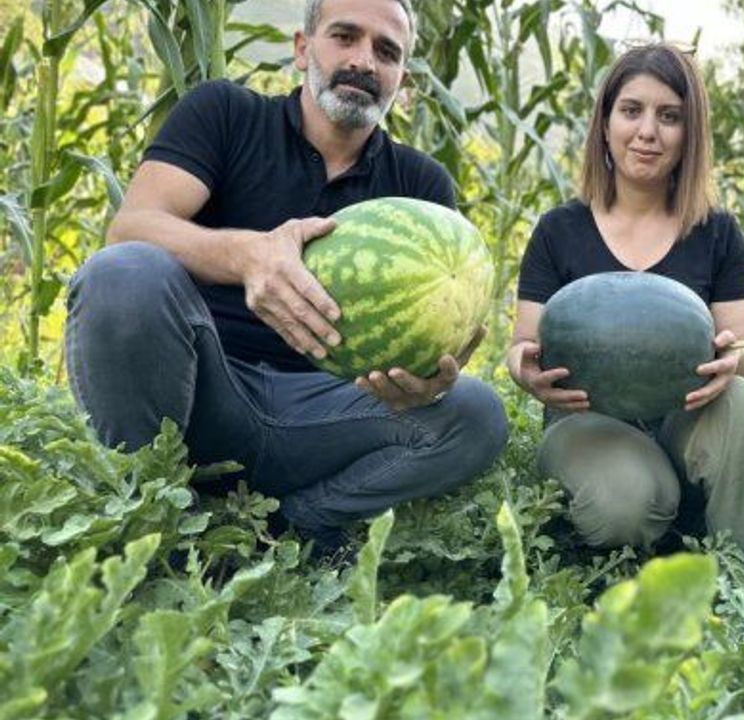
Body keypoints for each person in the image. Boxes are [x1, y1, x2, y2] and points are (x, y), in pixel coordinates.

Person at [65, 0, 508, 556]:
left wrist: (425, 380)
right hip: (201, 389)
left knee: (476, 414)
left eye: (386, 51)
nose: (364, 61)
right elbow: (132, 227)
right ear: (302, 49)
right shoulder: (225, 113)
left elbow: (431, 334)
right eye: (344, 36)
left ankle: (291, 530)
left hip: (327, 412)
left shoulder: (422, 184)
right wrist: (248, 255)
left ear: (402, 76)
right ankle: (150, 513)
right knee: (124, 273)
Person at [508, 43, 744, 587]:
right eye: (632, 110)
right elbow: (522, 345)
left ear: (690, 133)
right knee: (626, 504)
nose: (647, 132)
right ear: (605, 123)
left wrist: (734, 361)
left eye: (669, 116)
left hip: (687, 416)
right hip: (586, 421)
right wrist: (527, 372)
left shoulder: (716, 232)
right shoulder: (558, 230)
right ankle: (655, 541)